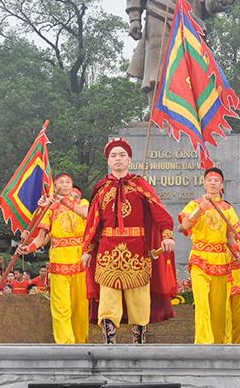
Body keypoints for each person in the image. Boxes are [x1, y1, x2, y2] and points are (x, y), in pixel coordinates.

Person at [81, 137, 177, 344]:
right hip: (108, 249)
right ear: (108, 161)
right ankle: (109, 342)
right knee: (108, 297)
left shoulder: (140, 185)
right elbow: (92, 222)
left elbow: (159, 211)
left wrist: (167, 234)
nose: (118, 159)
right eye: (114, 156)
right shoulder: (102, 189)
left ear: (129, 160)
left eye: (122, 155)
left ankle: (139, 342)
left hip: (137, 249)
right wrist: (87, 249)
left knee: (139, 297)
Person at [19, 173, 88, 343]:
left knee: (80, 308)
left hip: (80, 261)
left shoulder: (82, 203)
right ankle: (66, 344)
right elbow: (42, 237)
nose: (65, 184)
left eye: (68, 182)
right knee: (61, 307)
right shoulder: (50, 209)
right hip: (59, 261)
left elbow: (87, 214)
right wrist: (30, 247)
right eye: (60, 182)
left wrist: (62, 200)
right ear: (55, 186)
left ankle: (81, 342)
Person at [177, 167, 240, 344]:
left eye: (216, 180)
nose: (213, 183)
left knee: (219, 307)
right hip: (199, 257)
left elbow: (231, 237)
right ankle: (203, 342)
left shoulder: (227, 208)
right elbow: (183, 226)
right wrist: (201, 208)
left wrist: (239, 251)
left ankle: (219, 343)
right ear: (204, 183)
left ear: (221, 185)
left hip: (221, 259)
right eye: (209, 180)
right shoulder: (195, 204)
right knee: (202, 303)